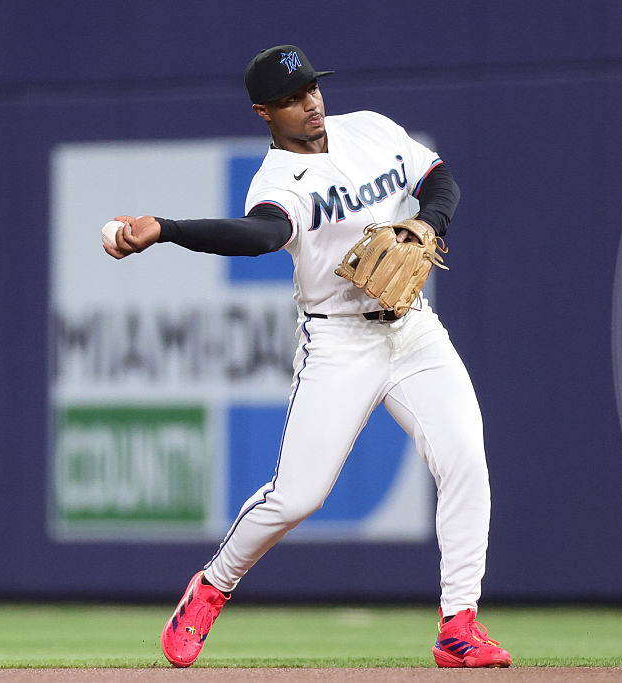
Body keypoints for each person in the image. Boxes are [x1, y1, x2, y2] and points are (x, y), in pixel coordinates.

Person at [104, 44, 511, 670]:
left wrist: (430, 222)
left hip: (414, 331)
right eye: (292, 99)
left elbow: (440, 180)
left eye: (313, 88)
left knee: (465, 459)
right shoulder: (276, 182)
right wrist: (167, 227)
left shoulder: (370, 130)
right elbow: (260, 236)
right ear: (265, 113)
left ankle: (459, 625)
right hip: (339, 341)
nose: (311, 103)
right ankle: (212, 586)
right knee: (297, 498)